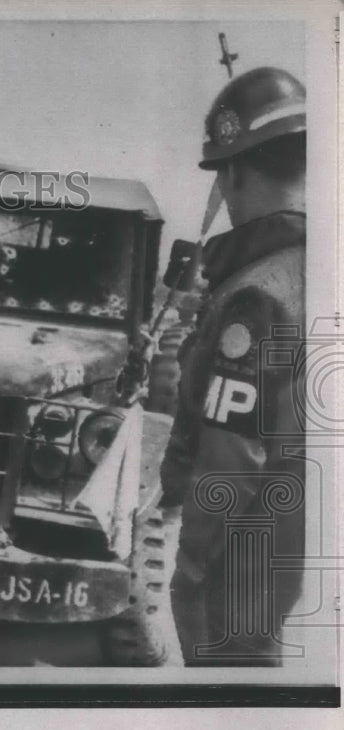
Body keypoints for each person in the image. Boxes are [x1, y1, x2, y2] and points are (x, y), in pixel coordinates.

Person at [160, 67, 307, 666]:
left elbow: (229, 458)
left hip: (235, 577)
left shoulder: (254, 294)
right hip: (285, 557)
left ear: (235, 173)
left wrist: (191, 573)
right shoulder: (316, 271)